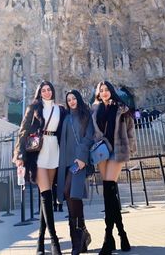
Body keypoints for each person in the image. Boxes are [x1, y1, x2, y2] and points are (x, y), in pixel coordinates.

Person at [13, 80, 66, 255]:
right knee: (45, 195)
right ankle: (55, 241)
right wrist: (19, 154)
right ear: (39, 92)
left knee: (48, 196)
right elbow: (23, 130)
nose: (46, 92)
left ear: (52, 91)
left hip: (54, 151)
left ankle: (40, 241)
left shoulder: (60, 109)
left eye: (49, 89)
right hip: (39, 152)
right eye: (43, 90)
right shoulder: (33, 108)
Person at [92, 81, 136, 254]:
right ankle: (122, 234)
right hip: (102, 151)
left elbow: (131, 129)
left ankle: (107, 238)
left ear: (111, 91)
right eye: (101, 90)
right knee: (110, 193)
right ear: (98, 93)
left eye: (107, 90)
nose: (104, 93)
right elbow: (92, 130)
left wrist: (130, 147)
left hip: (117, 151)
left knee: (110, 187)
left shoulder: (121, 108)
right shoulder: (95, 110)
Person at [57, 90, 93, 255]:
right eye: (69, 100)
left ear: (78, 99)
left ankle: (77, 241)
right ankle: (81, 235)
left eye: (74, 98)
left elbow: (89, 137)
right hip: (66, 163)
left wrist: (81, 156)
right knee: (73, 195)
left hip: (79, 162)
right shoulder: (66, 118)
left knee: (69, 192)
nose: (71, 101)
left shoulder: (86, 115)